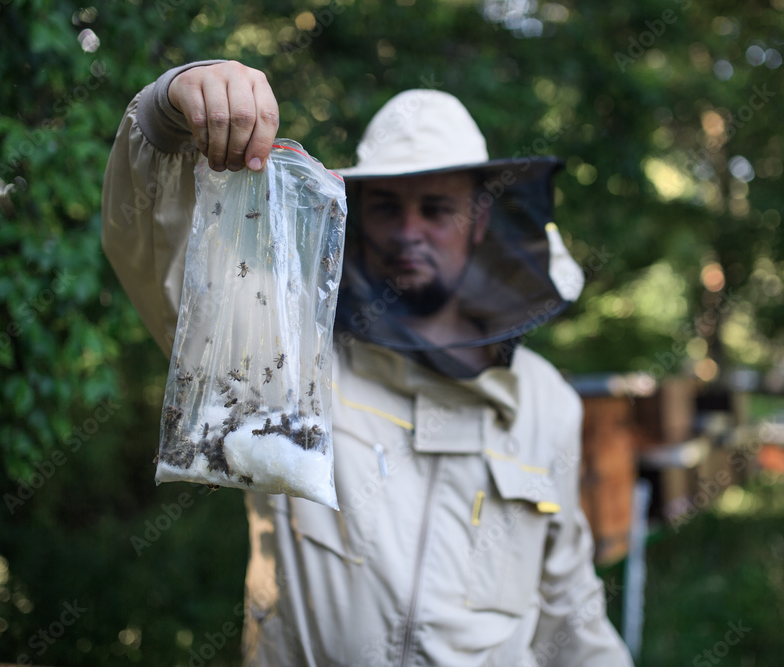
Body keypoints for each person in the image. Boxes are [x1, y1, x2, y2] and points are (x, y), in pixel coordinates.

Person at [102, 60, 633, 666]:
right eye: (387, 208)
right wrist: (169, 111)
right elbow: (156, 257)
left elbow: (569, 611)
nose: (410, 232)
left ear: (479, 219)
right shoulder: (294, 355)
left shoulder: (547, 403)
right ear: (357, 213)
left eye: (436, 209)